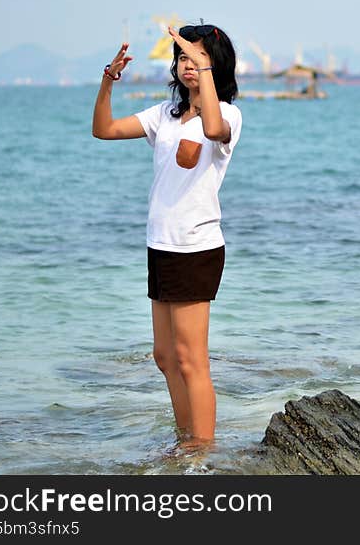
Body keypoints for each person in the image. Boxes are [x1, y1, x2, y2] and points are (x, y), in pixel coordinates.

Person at [91, 23, 242, 450]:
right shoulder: (164, 115)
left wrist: (204, 68)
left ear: (215, 65)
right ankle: (186, 439)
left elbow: (213, 130)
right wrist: (109, 79)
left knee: (192, 359)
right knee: (165, 357)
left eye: (196, 58)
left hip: (196, 247)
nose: (186, 65)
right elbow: (103, 129)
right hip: (160, 244)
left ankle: (203, 448)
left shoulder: (227, 114)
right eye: (182, 58)